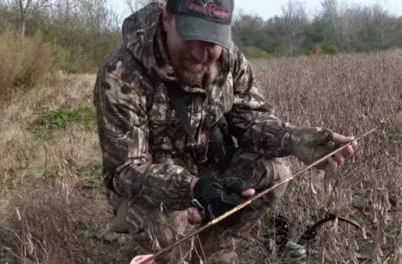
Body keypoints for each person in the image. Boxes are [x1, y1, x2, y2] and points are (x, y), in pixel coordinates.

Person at [94, 0, 358, 263]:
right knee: (164, 231)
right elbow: (125, 171)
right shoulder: (122, 75)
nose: (201, 53)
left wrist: (296, 140)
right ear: (166, 20)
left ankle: (212, 249)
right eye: (192, 36)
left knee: (275, 173)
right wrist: (193, 187)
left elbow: (251, 121)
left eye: (213, 41)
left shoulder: (230, 60)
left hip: (208, 172)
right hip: (155, 187)